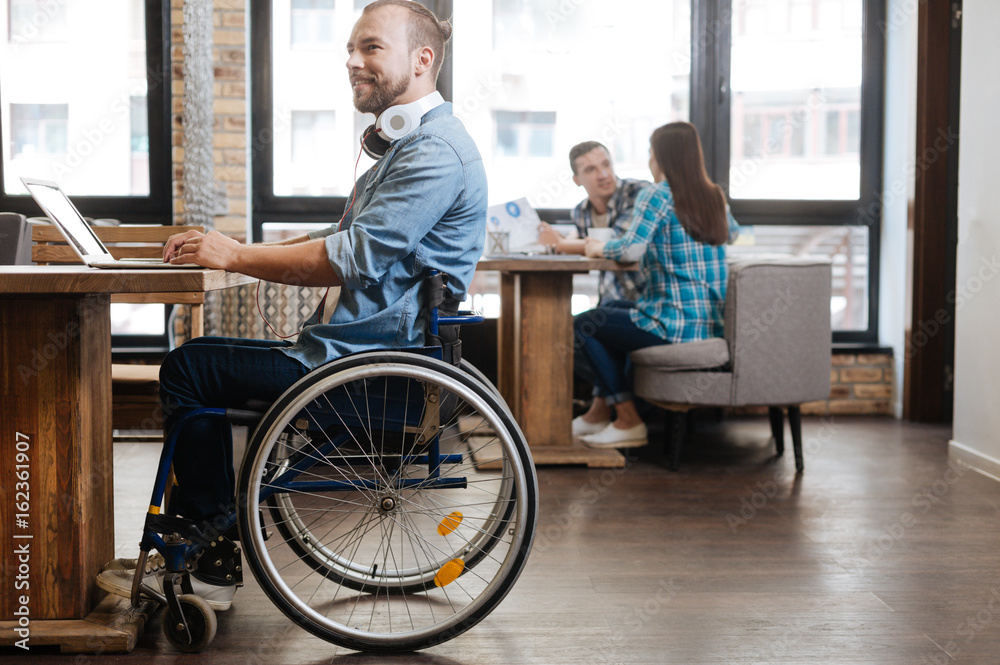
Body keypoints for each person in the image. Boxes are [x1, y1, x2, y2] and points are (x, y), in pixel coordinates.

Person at [96, 0, 487, 610]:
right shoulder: (414, 146)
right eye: (351, 50)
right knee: (198, 364)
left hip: (371, 366)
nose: (354, 62)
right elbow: (340, 243)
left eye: (371, 48)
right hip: (357, 352)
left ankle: (212, 559)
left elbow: (348, 257)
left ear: (423, 58)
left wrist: (235, 257)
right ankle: (204, 548)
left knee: (190, 368)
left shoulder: (434, 153)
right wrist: (233, 247)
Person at [571, 122, 739, 448]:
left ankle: (629, 420)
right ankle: (599, 411)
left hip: (673, 325)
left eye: (651, 152)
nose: (649, 159)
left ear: (661, 157)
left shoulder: (657, 194)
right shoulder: (713, 195)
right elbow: (731, 233)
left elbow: (629, 248)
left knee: (585, 324)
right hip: (709, 323)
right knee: (609, 309)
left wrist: (596, 247)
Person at [537, 141, 649, 304]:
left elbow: (619, 245)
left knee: (579, 324)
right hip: (611, 297)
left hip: (647, 301)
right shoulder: (580, 212)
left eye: (606, 164)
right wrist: (559, 239)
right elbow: (591, 248)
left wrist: (560, 244)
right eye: (591, 169)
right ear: (577, 180)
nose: (603, 174)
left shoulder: (638, 193)